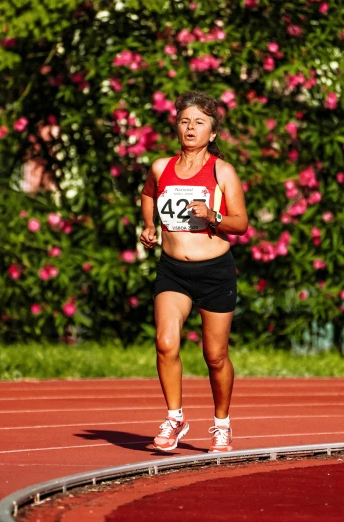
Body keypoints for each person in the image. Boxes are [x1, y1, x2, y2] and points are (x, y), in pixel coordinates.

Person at [139, 91, 249, 453]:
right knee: (165, 342)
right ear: (176, 126)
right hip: (173, 272)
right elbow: (149, 194)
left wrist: (213, 216)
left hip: (215, 272)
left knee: (215, 356)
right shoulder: (160, 167)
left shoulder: (221, 170)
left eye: (199, 122)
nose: (191, 127)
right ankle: (174, 418)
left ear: (212, 132)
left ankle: (222, 424)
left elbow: (241, 224)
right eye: (185, 121)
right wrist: (149, 225)